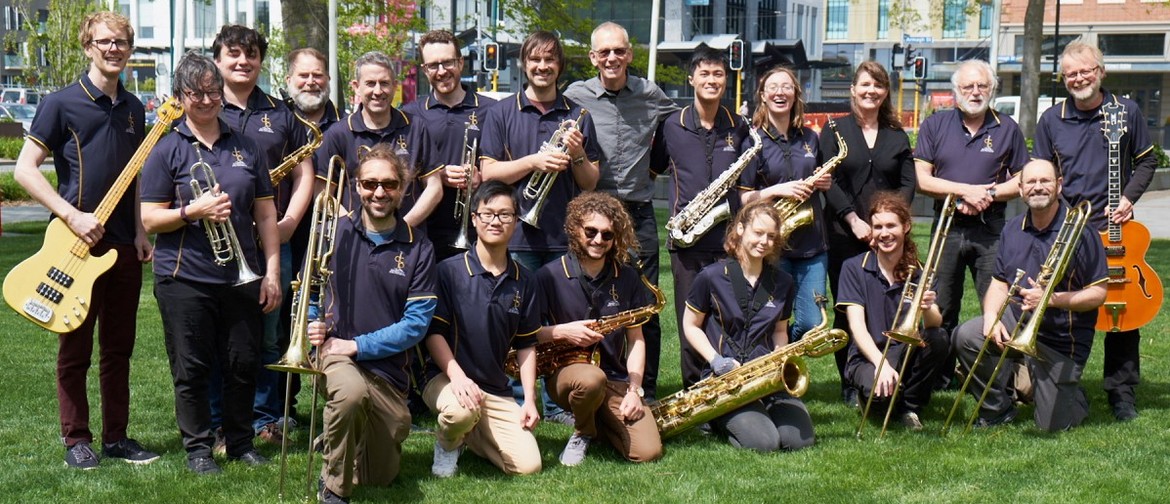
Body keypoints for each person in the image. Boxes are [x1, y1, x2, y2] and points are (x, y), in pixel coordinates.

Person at [11, 11, 158, 469]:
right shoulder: (61, 103)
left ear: (130, 50)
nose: (113, 49)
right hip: (76, 247)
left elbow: (134, 181)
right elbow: (23, 168)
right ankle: (76, 437)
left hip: (123, 250)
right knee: (74, 348)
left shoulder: (136, 109)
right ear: (88, 46)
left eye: (121, 42)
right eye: (104, 41)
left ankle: (116, 437)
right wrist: (71, 216)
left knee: (119, 349)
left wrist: (139, 232)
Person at [140, 51, 281, 474]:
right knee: (192, 366)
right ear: (180, 97)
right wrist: (192, 211)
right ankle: (199, 448)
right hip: (184, 277)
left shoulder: (246, 145)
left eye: (211, 91)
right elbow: (150, 218)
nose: (205, 99)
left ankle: (240, 443)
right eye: (194, 93)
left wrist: (271, 270)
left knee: (242, 362)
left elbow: (266, 213)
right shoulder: (167, 149)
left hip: (240, 276)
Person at [479, 30, 601, 424]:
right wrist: (535, 162)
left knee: (560, 324)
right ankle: (516, 398)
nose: (542, 66)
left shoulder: (576, 114)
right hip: (517, 236)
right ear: (524, 64)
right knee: (517, 320)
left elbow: (590, 182)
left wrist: (579, 154)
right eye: (535, 59)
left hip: (564, 236)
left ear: (559, 66)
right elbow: (488, 172)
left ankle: (554, 402)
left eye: (550, 60)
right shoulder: (501, 112)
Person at [1032, 39, 1158, 422]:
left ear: (1100, 71)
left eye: (1086, 70)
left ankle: (1122, 393)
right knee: (1064, 308)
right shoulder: (1051, 120)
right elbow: (1042, 172)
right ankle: (1059, 382)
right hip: (1069, 229)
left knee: (1122, 312)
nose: (1079, 78)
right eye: (1071, 73)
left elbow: (1147, 161)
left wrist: (1129, 197)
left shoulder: (1126, 111)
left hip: (1115, 227)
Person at [306, 143, 437, 503]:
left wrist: (359, 346)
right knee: (351, 395)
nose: (379, 192)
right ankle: (333, 490)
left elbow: (415, 325)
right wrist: (313, 324)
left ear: (403, 188)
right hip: (335, 354)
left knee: (380, 477)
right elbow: (310, 292)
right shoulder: (333, 231)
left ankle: (339, 435)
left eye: (389, 184)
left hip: (386, 372)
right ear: (356, 186)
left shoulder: (419, 248)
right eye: (369, 183)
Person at [211, 24, 316, 447]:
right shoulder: (202, 107)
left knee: (269, 336)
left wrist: (288, 222)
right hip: (217, 244)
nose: (243, 61)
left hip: (272, 242)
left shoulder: (280, 112)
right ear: (218, 59)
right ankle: (219, 422)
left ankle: (265, 421)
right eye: (233, 54)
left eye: (251, 54)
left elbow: (304, 172)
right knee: (220, 336)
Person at [564, 21, 678, 400]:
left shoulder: (651, 93)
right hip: (590, 209)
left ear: (630, 54)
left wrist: (654, 168)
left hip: (637, 211)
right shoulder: (575, 95)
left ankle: (644, 388)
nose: (612, 58)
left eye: (619, 51)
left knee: (645, 305)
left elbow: (676, 129)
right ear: (593, 57)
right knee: (587, 299)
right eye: (604, 52)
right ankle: (581, 387)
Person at [952, 159, 1108, 431]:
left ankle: (1072, 396)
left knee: (1051, 427)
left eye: (1045, 181)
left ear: (1059, 186)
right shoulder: (1012, 228)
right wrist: (991, 317)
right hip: (1018, 322)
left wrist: (1051, 298)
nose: (1038, 187)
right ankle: (997, 409)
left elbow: (1099, 293)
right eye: (1031, 182)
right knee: (967, 336)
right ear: (1021, 189)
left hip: (1060, 341)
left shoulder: (1082, 231)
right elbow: (1000, 283)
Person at [914, 60, 1028, 378]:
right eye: (968, 86)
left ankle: (998, 376)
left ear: (992, 89)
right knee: (942, 305)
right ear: (955, 92)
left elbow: (1022, 180)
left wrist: (986, 196)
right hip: (946, 225)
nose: (975, 92)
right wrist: (964, 192)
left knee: (996, 305)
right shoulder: (935, 125)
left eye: (982, 86)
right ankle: (939, 376)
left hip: (991, 228)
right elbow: (922, 179)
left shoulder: (1008, 127)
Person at [423, 180, 543, 477]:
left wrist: (528, 398)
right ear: (474, 219)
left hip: (494, 388)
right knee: (460, 411)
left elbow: (527, 345)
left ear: (516, 221)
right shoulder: (448, 271)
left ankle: (471, 434)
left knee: (529, 466)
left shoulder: (526, 281)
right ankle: (449, 442)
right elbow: (434, 334)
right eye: (487, 214)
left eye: (505, 215)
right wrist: (458, 376)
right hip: (445, 378)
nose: (496, 221)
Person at [535, 192, 663, 466]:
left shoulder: (627, 276)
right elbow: (526, 334)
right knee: (591, 379)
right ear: (574, 229)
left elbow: (637, 339)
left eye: (607, 235)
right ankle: (584, 432)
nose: (598, 240)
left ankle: (598, 422)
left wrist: (634, 390)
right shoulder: (548, 275)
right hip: (567, 373)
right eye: (591, 231)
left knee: (646, 452)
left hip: (615, 378)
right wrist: (561, 332)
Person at [650, 47, 748, 388]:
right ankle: (694, 388)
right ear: (691, 78)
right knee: (689, 318)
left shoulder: (740, 127)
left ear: (727, 79)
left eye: (718, 74)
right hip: (687, 241)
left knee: (730, 316)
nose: (711, 80)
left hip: (730, 241)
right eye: (704, 74)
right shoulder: (670, 126)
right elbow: (651, 170)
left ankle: (729, 383)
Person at [681, 200, 814, 452]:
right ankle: (717, 418)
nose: (764, 241)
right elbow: (690, 325)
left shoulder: (783, 281)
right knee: (765, 444)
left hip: (764, 375)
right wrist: (716, 360)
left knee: (799, 442)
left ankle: (757, 411)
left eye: (771, 236)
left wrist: (779, 359)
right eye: (758, 233)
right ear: (740, 229)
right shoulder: (711, 276)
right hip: (726, 377)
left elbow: (779, 331)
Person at [820, 61, 915, 407]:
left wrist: (889, 223)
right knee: (847, 310)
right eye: (864, 85)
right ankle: (851, 381)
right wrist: (853, 220)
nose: (870, 91)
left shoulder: (897, 135)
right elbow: (829, 181)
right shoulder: (833, 129)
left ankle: (894, 371)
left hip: (888, 240)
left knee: (891, 307)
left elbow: (908, 182)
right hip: (845, 237)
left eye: (877, 86)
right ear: (853, 90)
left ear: (885, 92)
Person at [836, 192, 948, 431]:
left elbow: (935, 323)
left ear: (905, 227)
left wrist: (927, 308)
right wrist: (882, 364)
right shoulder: (854, 267)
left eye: (891, 225)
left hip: (906, 351)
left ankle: (911, 406)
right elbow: (857, 327)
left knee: (939, 338)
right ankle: (875, 395)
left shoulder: (920, 271)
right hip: (867, 356)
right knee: (880, 400)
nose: (884, 233)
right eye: (878, 227)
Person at [737, 66, 832, 343]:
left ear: (796, 95)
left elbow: (821, 177)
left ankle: (784, 353)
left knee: (812, 323)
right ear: (763, 96)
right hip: (771, 247)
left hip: (812, 245)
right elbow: (743, 198)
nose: (780, 92)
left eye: (787, 87)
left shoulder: (811, 138)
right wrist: (778, 190)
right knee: (769, 318)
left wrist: (823, 182)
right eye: (773, 87)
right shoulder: (752, 141)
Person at [315, 50, 442, 227]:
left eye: (384, 83)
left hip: (409, 239)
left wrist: (402, 227)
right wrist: (355, 230)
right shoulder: (337, 133)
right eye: (370, 83)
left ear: (395, 86)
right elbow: (322, 193)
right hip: (356, 242)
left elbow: (434, 187)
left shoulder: (416, 127)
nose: (377, 91)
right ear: (356, 86)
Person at [402, 29, 498, 261]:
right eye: (433, 65)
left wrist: (481, 177)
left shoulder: (491, 110)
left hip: (478, 230)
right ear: (424, 70)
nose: (442, 71)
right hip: (424, 229)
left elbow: (502, 165)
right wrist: (435, 175)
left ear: (461, 63)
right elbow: (401, 170)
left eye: (448, 62)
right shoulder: (409, 114)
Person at [286, 47, 343, 132]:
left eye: (317, 75)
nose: (310, 82)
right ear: (288, 80)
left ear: (328, 79)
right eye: (304, 75)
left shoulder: (347, 125)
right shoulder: (274, 122)